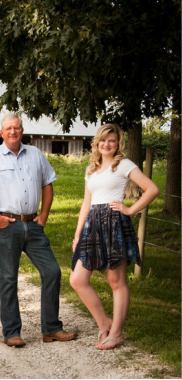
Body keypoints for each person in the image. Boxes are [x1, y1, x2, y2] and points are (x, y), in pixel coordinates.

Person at [0, 113, 77, 347]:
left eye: (17, 128)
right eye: (9, 128)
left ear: (22, 131)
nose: (13, 131)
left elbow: (47, 184)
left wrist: (44, 215)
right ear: (1, 133)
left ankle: (51, 329)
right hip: (7, 225)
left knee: (52, 271)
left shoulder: (36, 154)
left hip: (33, 225)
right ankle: (12, 332)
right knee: (8, 279)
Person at [70, 124, 159, 350]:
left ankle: (116, 334)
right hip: (93, 224)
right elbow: (86, 203)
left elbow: (152, 189)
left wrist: (129, 210)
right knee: (77, 279)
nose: (106, 144)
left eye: (111, 140)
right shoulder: (91, 170)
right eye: (103, 140)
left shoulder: (124, 165)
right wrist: (77, 234)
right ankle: (105, 324)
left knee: (115, 281)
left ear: (118, 143)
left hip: (114, 223)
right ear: (97, 143)